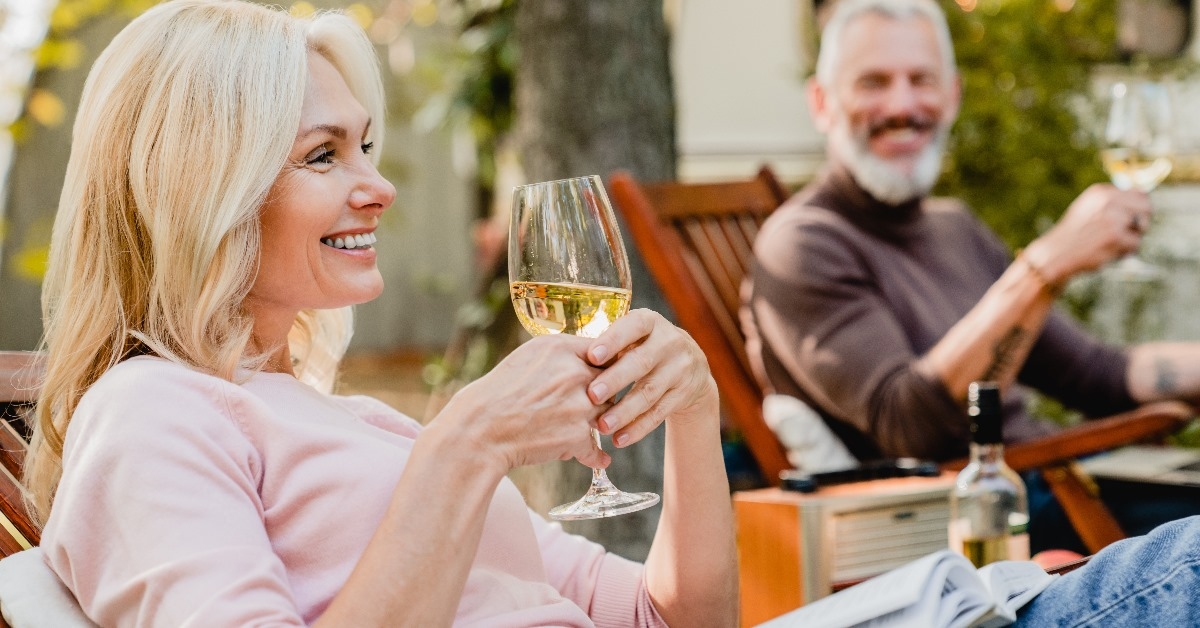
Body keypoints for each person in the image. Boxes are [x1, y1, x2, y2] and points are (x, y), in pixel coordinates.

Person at [24, 1, 736, 625]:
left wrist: (695, 409)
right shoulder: (150, 413)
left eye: (364, 146)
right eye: (322, 155)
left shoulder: (366, 427)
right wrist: (467, 444)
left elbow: (663, 617)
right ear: (203, 191)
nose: (380, 185)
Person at [741, 0, 1200, 554]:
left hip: (1069, 480)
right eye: (873, 82)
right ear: (822, 102)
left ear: (952, 94)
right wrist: (1044, 265)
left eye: (922, 81)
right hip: (989, 520)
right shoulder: (803, 245)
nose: (903, 105)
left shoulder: (954, 226)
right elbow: (911, 428)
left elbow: (1098, 376)